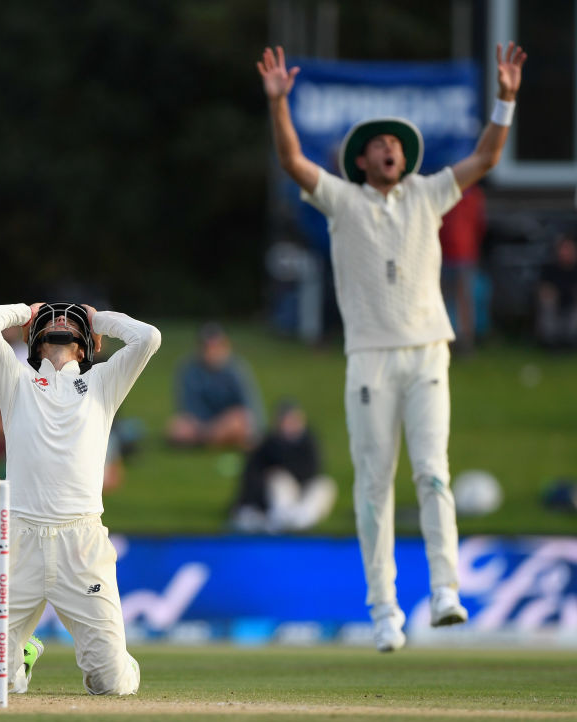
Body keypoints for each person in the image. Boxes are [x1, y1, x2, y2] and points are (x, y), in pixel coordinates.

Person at [258, 41, 526, 652]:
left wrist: (505, 100)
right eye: (380, 143)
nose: (391, 148)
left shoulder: (430, 193)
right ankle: (383, 609)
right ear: (362, 158)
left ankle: (445, 591)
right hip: (370, 359)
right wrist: (279, 105)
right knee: (373, 485)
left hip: (429, 351)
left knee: (434, 475)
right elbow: (294, 160)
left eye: (398, 143)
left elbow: (485, 156)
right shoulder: (342, 201)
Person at [0, 301, 160, 700]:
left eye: (70, 319)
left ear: (86, 346)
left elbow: (149, 338)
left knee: (111, 684)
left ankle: (118, 662)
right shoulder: (15, 380)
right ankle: (17, 659)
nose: (60, 319)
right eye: (51, 317)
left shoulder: (104, 383)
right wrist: (27, 311)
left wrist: (98, 318)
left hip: (81, 542)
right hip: (17, 540)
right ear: (34, 341)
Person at [228, 400, 336, 534]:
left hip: (303, 493)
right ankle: (283, 520)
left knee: (325, 485)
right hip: (277, 499)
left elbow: (313, 471)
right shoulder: (268, 444)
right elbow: (252, 477)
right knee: (279, 478)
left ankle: (302, 520)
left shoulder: (308, 442)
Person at [166, 322, 264, 450]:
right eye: (207, 347)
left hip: (228, 422)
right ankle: (218, 441)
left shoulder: (237, 369)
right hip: (202, 426)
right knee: (176, 427)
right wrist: (206, 428)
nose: (212, 352)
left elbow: (249, 409)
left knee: (238, 421)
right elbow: (188, 409)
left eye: (216, 346)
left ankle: (210, 442)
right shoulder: (189, 369)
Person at [439, 183, 487, 353]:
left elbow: (478, 225)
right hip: (446, 255)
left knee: (463, 299)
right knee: (446, 299)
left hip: (464, 255)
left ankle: (465, 341)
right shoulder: (445, 193)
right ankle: (446, 339)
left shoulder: (473, 196)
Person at [535, 232, 577, 349]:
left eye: (569, 249)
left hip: (571, 305)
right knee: (547, 301)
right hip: (554, 305)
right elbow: (542, 288)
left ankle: (570, 340)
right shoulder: (549, 269)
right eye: (563, 248)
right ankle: (551, 342)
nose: (565, 252)